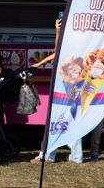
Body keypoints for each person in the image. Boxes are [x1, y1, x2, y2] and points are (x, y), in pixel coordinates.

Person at [29, 18, 83, 164]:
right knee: (70, 118)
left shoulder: (76, 39)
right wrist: (58, 31)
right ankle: (74, 156)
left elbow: (58, 51)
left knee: (59, 117)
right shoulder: (77, 37)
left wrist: (41, 62)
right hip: (69, 84)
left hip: (68, 84)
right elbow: (58, 50)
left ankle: (49, 155)